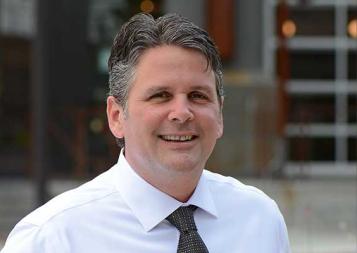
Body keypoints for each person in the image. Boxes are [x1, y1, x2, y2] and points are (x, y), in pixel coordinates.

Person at [1, 13, 290, 253]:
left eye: (198, 95)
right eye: (161, 95)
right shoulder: (52, 239)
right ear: (116, 117)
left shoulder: (260, 220)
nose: (181, 112)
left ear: (219, 114)